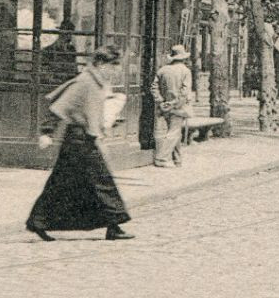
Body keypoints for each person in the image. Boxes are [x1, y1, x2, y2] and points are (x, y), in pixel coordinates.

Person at [26, 44, 134, 242]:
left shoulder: (97, 82)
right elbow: (61, 106)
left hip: (82, 138)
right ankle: (114, 225)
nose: (117, 69)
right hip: (78, 140)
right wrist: (47, 132)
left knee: (62, 182)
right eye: (114, 65)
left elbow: (91, 110)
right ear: (101, 63)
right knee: (102, 181)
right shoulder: (85, 81)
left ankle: (38, 222)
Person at [151, 44, 193, 168]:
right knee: (174, 133)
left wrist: (161, 101)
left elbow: (154, 87)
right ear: (183, 58)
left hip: (164, 106)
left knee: (175, 132)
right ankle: (161, 158)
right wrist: (174, 103)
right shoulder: (186, 71)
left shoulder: (162, 70)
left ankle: (177, 159)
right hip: (178, 107)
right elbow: (184, 92)